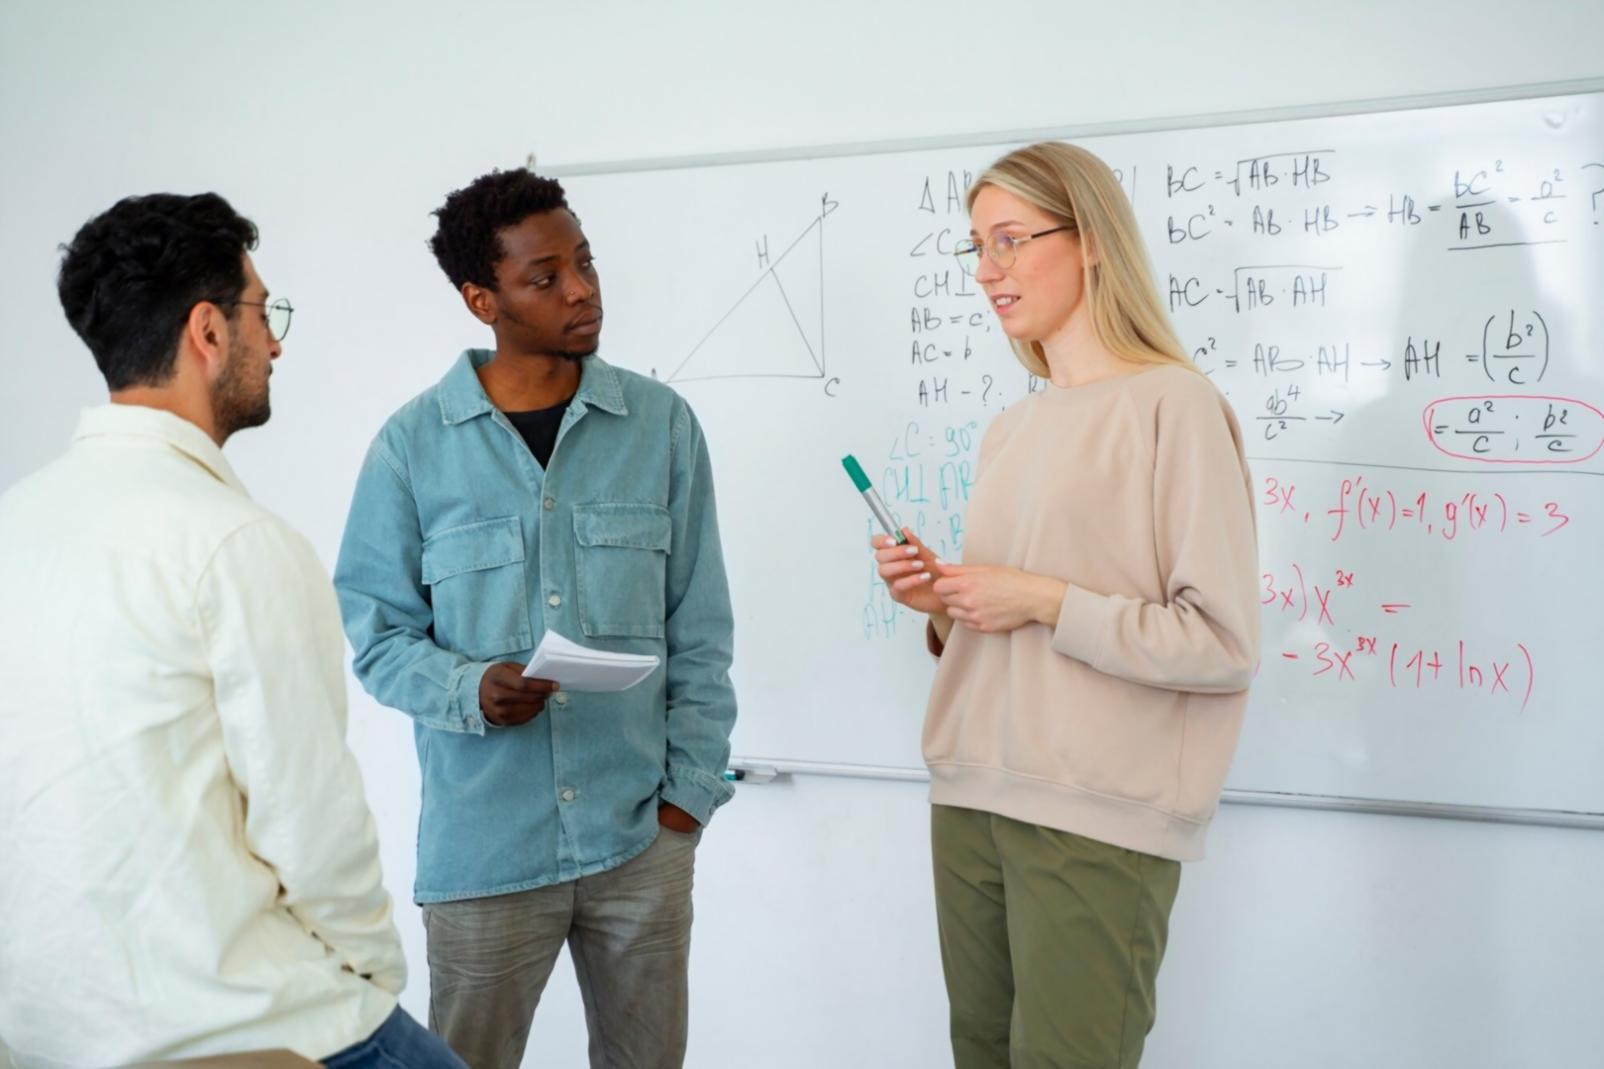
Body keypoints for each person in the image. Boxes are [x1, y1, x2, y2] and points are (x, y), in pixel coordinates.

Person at [0, 193, 464, 1068]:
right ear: (209, 330)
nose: (277, 342)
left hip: (45, 1032)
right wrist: (369, 985)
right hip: (249, 1029)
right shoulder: (236, 543)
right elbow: (314, 827)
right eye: (264, 314)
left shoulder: (14, 523)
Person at [333, 169, 737, 1069]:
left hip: (640, 838)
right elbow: (377, 635)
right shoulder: (411, 447)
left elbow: (701, 630)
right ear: (484, 299)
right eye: (544, 276)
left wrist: (686, 801)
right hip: (487, 854)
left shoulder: (662, 426)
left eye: (584, 262)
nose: (582, 289)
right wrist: (470, 686)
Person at [872, 142, 1260, 1068]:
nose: (987, 270)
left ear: (1090, 241)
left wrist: (1042, 599)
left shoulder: (1176, 405)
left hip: (1095, 813)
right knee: (980, 1052)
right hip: (971, 793)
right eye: (976, 245)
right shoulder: (1014, 425)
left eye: (1011, 239)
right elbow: (1003, 619)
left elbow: (1219, 644)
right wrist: (943, 602)